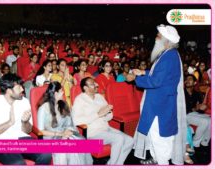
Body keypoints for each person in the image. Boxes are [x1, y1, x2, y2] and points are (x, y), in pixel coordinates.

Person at [128, 24, 187, 165]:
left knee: (160, 139)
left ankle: (161, 162)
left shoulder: (169, 57)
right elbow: (161, 76)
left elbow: (156, 81)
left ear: (166, 41)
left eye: (158, 36)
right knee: (155, 137)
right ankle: (156, 159)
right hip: (160, 104)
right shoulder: (167, 54)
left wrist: (135, 79)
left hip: (160, 107)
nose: (156, 38)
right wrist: (143, 72)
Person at [0, 73, 51, 165]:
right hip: (1, 142)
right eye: (18, 87)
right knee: (18, 163)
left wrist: (24, 122)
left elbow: (28, 130)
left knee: (46, 154)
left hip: (22, 138)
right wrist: (9, 123)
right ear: (9, 90)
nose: (22, 89)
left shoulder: (24, 102)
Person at [72, 77, 133, 165]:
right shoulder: (80, 100)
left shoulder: (99, 97)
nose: (96, 85)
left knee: (130, 140)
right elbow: (76, 120)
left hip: (106, 128)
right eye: (93, 84)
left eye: (95, 83)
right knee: (118, 139)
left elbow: (110, 115)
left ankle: (113, 164)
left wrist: (106, 114)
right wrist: (98, 114)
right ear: (85, 88)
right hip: (92, 132)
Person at [37, 81, 93, 165]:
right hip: (50, 137)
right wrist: (60, 134)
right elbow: (41, 131)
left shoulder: (62, 104)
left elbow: (69, 124)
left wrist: (67, 133)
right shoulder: (43, 108)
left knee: (79, 141)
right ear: (55, 93)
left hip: (64, 133)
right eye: (61, 91)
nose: (63, 93)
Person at [184, 74, 210, 148]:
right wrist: (194, 108)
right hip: (185, 115)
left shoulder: (196, 93)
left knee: (211, 120)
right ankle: (195, 143)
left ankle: (204, 143)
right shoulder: (181, 93)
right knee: (204, 122)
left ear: (195, 83)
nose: (188, 81)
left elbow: (200, 108)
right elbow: (180, 108)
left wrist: (202, 108)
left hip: (194, 114)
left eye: (190, 79)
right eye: (186, 79)